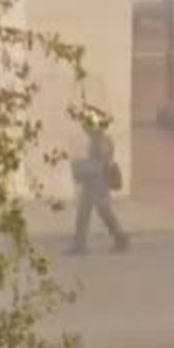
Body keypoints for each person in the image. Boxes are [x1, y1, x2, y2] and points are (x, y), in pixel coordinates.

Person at [68, 106, 129, 255]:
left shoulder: (101, 141)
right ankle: (117, 238)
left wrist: (86, 168)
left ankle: (82, 245)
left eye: (87, 125)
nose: (84, 128)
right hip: (94, 180)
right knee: (97, 212)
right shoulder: (99, 140)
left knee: (93, 212)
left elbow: (102, 161)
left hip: (98, 181)